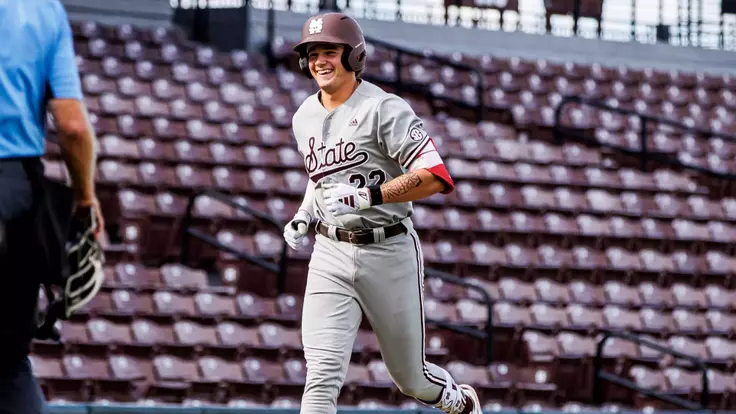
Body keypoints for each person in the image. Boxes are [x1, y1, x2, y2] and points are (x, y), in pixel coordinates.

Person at [283, 12, 482, 414]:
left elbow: (435, 176)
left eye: (330, 52)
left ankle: (459, 403)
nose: (320, 61)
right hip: (330, 252)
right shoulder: (303, 115)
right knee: (320, 377)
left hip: (388, 249)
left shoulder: (383, 108)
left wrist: (367, 196)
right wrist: (305, 212)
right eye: (313, 53)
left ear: (353, 56)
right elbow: (322, 176)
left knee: (411, 378)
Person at [0, 0, 104, 412]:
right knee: (7, 364)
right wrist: (84, 198)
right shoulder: (42, 10)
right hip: (12, 192)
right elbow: (73, 126)